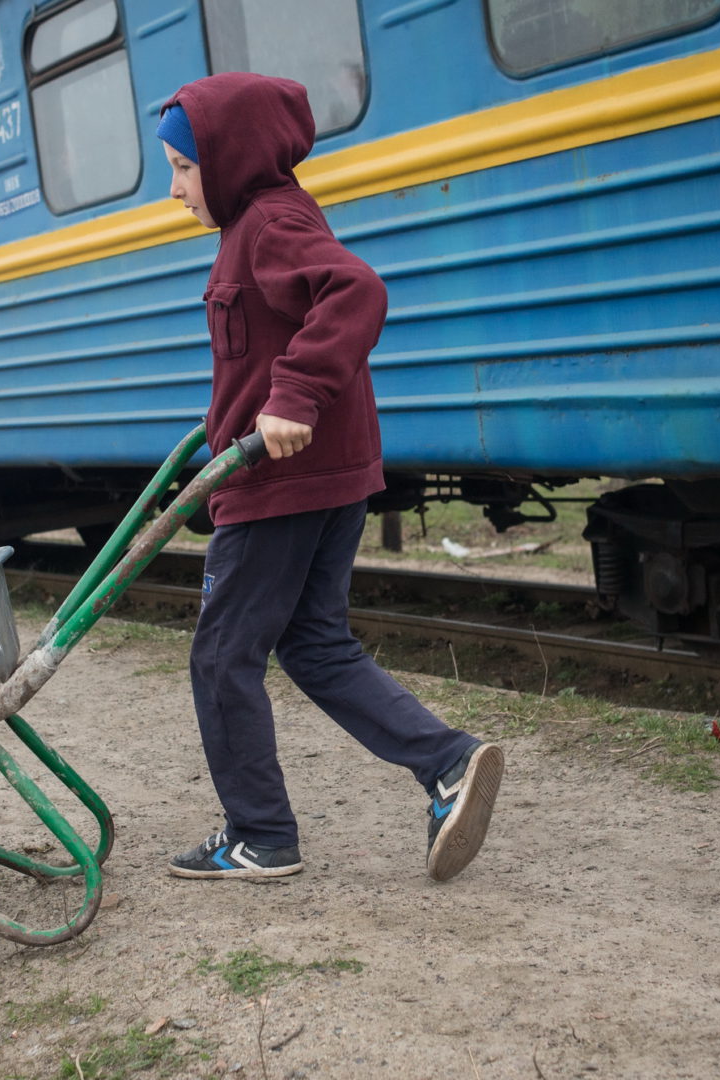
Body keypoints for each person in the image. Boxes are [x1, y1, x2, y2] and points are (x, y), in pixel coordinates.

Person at [157, 73, 504, 883]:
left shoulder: (267, 222)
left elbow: (355, 290)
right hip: (322, 473)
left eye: (182, 168)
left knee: (221, 657)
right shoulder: (264, 219)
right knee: (312, 643)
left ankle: (260, 835)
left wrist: (293, 396)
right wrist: (229, 425)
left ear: (230, 157)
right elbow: (270, 341)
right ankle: (448, 762)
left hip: (281, 482)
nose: (174, 191)